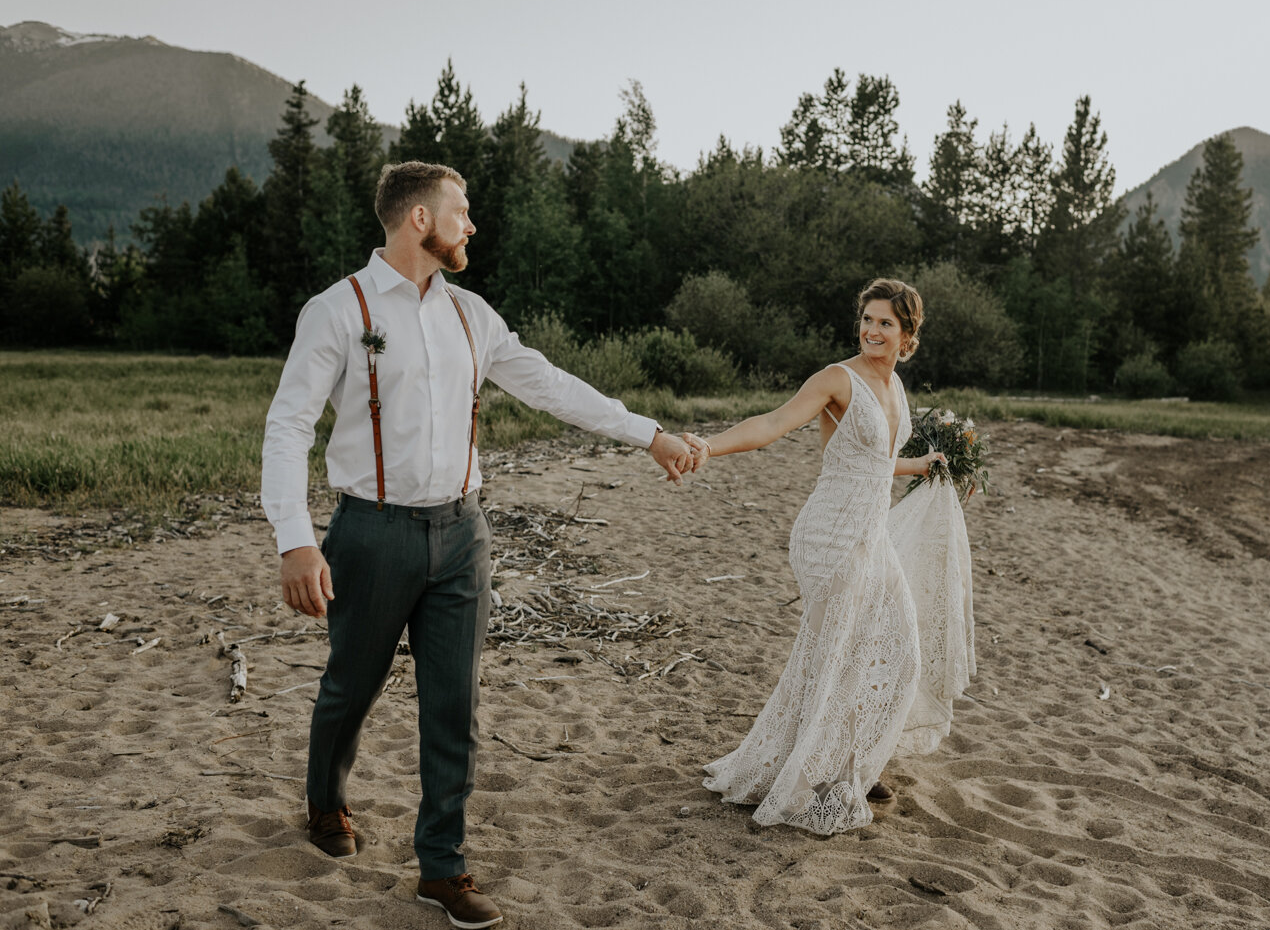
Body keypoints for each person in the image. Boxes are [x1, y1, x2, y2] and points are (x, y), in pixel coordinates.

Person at [261, 161, 698, 928]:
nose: (472, 224)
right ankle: (325, 802)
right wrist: (295, 540)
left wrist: (648, 433)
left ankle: (443, 868)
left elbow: (551, 384)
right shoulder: (339, 308)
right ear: (419, 220)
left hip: (464, 533)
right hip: (370, 531)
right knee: (348, 689)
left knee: (453, 706)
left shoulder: (472, 315)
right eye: (461, 211)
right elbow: (288, 423)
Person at [696, 278, 948, 835]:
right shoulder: (839, 378)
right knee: (837, 655)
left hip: (871, 534)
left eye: (885, 322)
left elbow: (876, 463)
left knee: (897, 649)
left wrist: (923, 465)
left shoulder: (897, 387)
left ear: (907, 333)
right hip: (830, 536)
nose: (871, 330)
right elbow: (771, 424)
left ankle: (853, 761)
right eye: (866, 318)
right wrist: (708, 446)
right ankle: (826, 777)